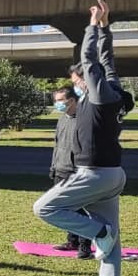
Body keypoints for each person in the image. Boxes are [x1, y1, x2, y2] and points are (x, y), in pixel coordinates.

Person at [33, 0, 127, 276]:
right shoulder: (113, 90)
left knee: (43, 208)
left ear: (87, 80)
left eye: (77, 81)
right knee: (112, 239)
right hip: (114, 174)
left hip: (94, 173)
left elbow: (90, 59)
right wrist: (105, 27)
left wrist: (91, 24)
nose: (74, 86)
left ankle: (99, 232)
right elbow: (107, 60)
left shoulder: (98, 95)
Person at [47, 86, 89, 258]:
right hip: (60, 170)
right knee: (63, 208)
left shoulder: (84, 120)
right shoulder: (62, 119)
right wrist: (53, 167)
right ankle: (72, 240)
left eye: (60, 100)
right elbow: (58, 145)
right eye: (55, 100)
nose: (57, 104)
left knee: (79, 209)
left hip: (76, 171)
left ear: (72, 100)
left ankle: (85, 245)